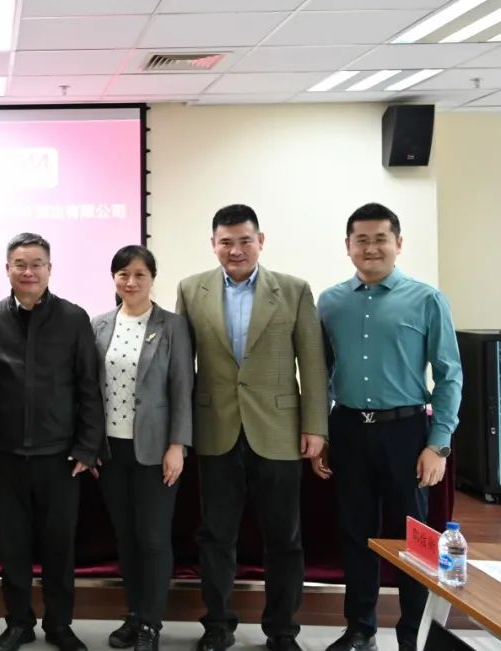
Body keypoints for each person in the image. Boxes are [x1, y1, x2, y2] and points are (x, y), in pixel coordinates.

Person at [175, 205, 328, 651]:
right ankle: (217, 625)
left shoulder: (294, 290)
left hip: (279, 430)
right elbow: (182, 367)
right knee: (216, 536)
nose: (236, 249)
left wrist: (316, 427)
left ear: (261, 241)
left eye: (244, 240)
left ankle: (282, 630)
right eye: (226, 242)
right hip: (215, 428)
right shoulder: (191, 289)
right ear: (213, 245)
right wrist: (180, 432)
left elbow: (312, 364)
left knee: (284, 537)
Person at [315, 203, 462, 651]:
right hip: (348, 429)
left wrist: (438, 444)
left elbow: (449, 374)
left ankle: (412, 634)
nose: (371, 248)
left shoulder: (427, 299)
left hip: (405, 432)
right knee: (355, 533)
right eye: (361, 240)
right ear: (347, 246)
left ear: (398, 243)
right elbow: (320, 373)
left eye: (380, 239)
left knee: (412, 540)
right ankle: (360, 630)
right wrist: (321, 432)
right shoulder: (330, 301)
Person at [0, 232, 104, 651]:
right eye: (20, 264)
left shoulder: (73, 317)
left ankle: (60, 625)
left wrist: (87, 447)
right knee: (12, 548)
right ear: (7, 269)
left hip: (59, 457)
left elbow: (88, 386)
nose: (28, 272)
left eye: (36, 264)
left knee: (59, 549)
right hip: (6, 456)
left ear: (49, 269)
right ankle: (18, 623)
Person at [92, 246, 193, 651]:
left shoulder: (173, 326)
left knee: (152, 538)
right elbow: (90, 389)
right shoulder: (99, 324)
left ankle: (151, 624)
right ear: (114, 278)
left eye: (139, 274)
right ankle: (133, 616)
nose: (130, 282)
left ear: (152, 278)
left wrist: (177, 445)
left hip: (155, 450)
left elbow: (183, 388)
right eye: (123, 274)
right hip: (110, 450)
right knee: (126, 537)